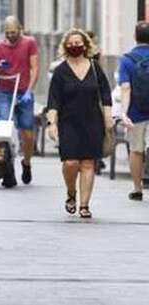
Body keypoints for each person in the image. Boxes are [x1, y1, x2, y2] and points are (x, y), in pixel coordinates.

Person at [46, 29, 113, 218]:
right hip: (68, 123)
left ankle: (84, 205)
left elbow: (106, 94)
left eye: (78, 43)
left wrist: (108, 117)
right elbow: (53, 100)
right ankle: (71, 192)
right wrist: (52, 123)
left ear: (85, 45)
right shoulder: (60, 71)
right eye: (71, 44)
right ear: (66, 46)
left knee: (88, 163)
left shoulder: (94, 67)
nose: (75, 47)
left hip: (92, 121)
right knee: (70, 162)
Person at [0, 16, 39, 186]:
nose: (10, 35)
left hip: (23, 89)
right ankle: (8, 170)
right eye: (7, 32)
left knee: (27, 132)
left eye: (13, 32)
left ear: (20, 29)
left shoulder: (29, 43)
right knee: (5, 131)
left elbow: (34, 67)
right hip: (4, 90)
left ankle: (26, 162)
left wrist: (30, 90)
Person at [119, 21, 149, 201]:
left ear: (134, 37)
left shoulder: (127, 60)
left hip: (135, 113)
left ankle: (137, 189)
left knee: (136, 150)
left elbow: (125, 88)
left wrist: (124, 112)